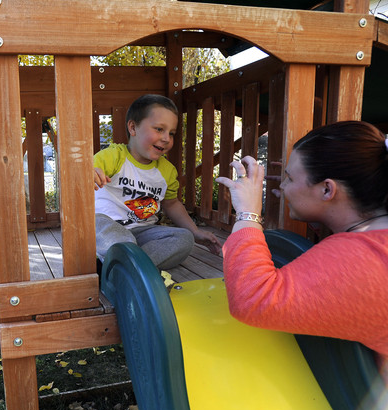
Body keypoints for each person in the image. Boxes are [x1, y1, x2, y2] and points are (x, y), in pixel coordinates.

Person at [216, 120, 388, 382]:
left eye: (290, 178)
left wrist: (247, 212)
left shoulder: (368, 257)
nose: (282, 186)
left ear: (327, 189)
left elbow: (252, 299)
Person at [94, 94, 221, 269]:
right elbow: (85, 171)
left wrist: (195, 232)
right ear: (133, 128)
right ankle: (130, 264)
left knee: (184, 239)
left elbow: (172, 204)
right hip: (108, 227)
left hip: (143, 232)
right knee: (111, 233)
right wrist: (92, 172)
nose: (166, 138)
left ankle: (126, 268)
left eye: (171, 133)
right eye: (159, 129)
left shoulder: (167, 171)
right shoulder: (114, 156)